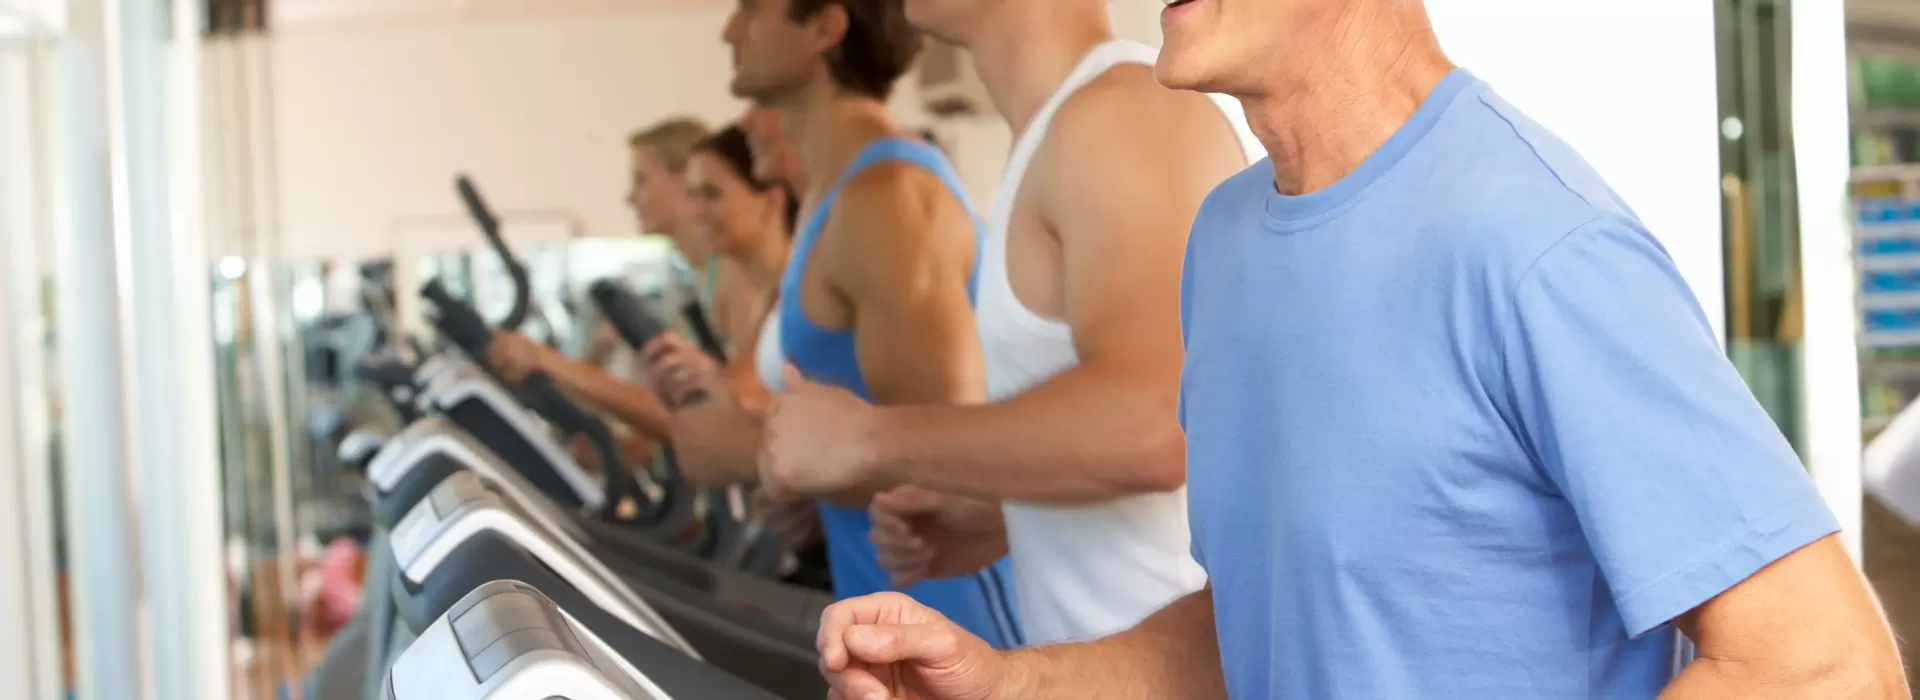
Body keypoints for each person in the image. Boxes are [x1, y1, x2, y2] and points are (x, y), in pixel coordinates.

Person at [816, 0, 1912, 698]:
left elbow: (1822, 664)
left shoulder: (1534, 239)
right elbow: (1279, 622)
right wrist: (1011, 685)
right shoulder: (1229, 237)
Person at [750, 0, 1248, 646]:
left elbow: (1158, 422)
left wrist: (868, 438)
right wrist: (1010, 509)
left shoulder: (1124, 114)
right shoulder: (1059, 128)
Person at [649, 0, 1024, 650]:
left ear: (824, 27)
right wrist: (815, 499)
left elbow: (953, 474)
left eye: (753, 10)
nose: (728, 31)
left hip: (965, 630)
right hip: (888, 617)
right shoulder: (836, 194)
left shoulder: (886, 200)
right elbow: (870, 435)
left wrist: (756, 456)